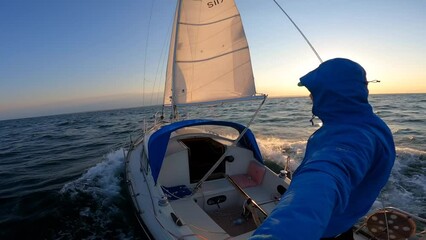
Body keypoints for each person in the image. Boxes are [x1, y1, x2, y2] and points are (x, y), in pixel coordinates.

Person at [250, 58, 395, 239]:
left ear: (328, 93)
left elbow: (323, 177)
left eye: (314, 91)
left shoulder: (350, 137)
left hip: (325, 231)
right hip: (342, 222)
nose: (310, 97)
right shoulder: (371, 125)